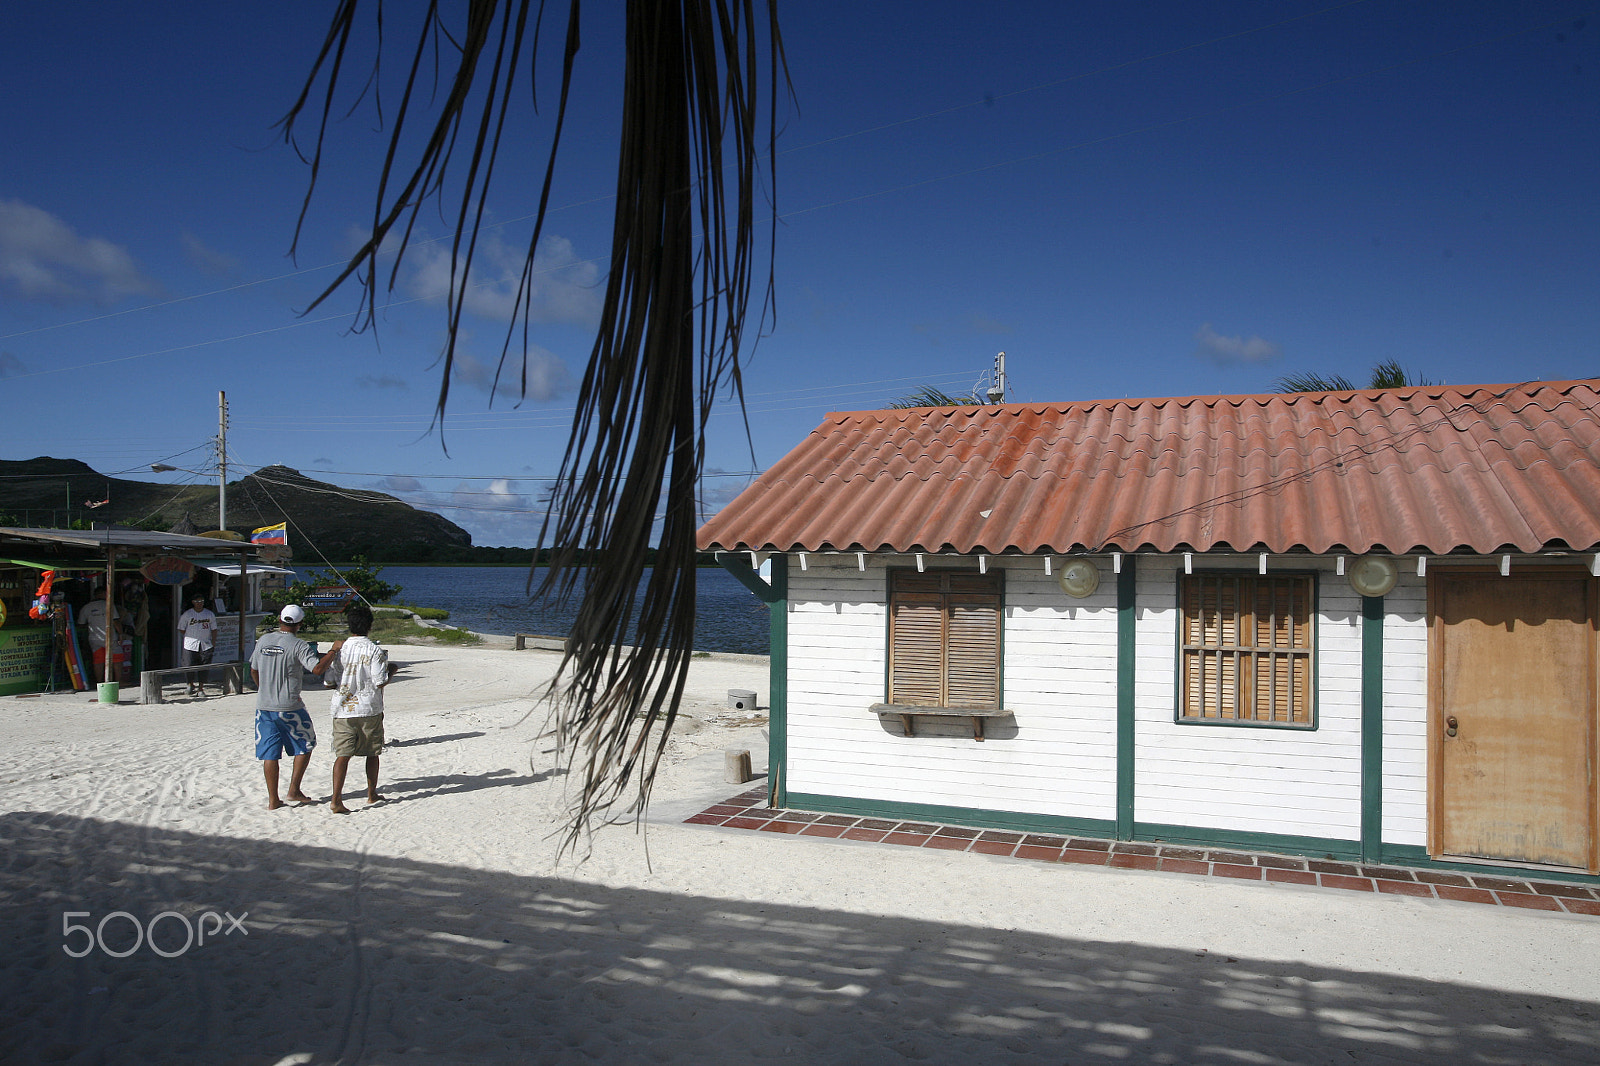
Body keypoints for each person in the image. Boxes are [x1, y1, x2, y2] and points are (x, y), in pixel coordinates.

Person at [250, 604, 340, 810]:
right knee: (306, 744)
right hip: (290, 705)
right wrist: (333, 651)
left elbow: (254, 669)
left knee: (269, 753)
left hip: (264, 706)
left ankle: (273, 799)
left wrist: (262, 689)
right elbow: (316, 669)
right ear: (299, 624)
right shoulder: (298, 645)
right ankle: (294, 788)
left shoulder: (264, 640)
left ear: (280, 619)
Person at [325, 603, 390, 814]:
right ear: (369, 626)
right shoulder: (374, 650)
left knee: (342, 755)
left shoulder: (340, 650)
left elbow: (329, 681)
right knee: (372, 753)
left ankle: (336, 799)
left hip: (343, 708)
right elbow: (379, 681)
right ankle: (371, 793)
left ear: (349, 625)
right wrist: (393, 671)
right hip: (368, 707)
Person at [77, 591, 125, 685]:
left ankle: (99, 682)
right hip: (110, 638)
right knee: (117, 659)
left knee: (98, 661)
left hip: (94, 638)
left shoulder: (86, 607)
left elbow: (81, 624)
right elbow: (115, 621)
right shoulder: (108, 605)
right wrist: (121, 634)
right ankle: (119, 681)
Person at [177, 592, 218, 697]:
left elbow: (214, 629)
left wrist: (213, 642)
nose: (199, 603)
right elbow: (181, 629)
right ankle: (190, 684)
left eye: (201, 601)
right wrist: (191, 636)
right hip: (190, 644)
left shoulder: (209, 614)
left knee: (204, 666)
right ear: (193, 602)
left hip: (206, 643)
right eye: (197, 601)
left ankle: (201, 688)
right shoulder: (187, 614)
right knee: (189, 665)